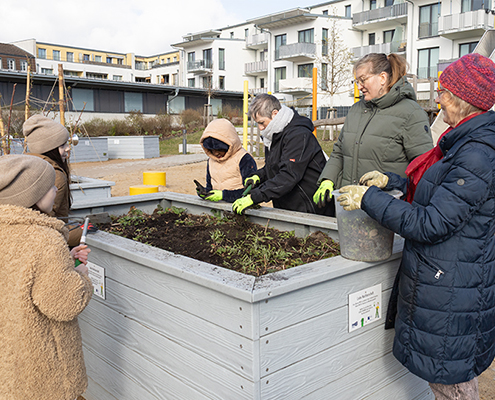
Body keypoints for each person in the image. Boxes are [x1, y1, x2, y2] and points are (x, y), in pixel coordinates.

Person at [337, 53, 495, 399]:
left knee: (452, 383)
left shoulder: (476, 155)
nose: (438, 99)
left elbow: (431, 223)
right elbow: (441, 193)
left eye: (444, 92)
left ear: (462, 99)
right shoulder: (465, 142)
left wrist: (369, 200)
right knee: (447, 378)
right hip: (450, 280)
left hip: (453, 290)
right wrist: (393, 181)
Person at [0, 154, 93, 399]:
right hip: (43, 370)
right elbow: (64, 303)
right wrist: (81, 277)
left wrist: (65, 259)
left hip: (9, 362)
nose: (55, 189)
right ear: (32, 194)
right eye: (50, 186)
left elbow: (20, 276)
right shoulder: (44, 240)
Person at [313, 53, 433, 210]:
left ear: (382, 78)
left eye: (363, 80)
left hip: (387, 210)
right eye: (357, 81)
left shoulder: (411, 113)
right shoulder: (356, 110)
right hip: (349, 206)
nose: (359, 86)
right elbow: (339, 152)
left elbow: (423, 168)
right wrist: (328, 179)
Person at [232, 93, 333, 216]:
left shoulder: (298, 135)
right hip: (290, 206)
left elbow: (288, 175)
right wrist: (258, 176)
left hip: (310, 208)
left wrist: (255, 197)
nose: (260, 128)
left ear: (275, 114)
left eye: (262, 122)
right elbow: (274, 166)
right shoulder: (274, 135)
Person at [23, 114, 83, 247]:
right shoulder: (55, 175)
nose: (68, 148)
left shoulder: (27, 166)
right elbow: (46, 222)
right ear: (49, 149)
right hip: (48, 243)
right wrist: (79, 233)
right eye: (62, 145)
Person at [196, 118, 257, 203]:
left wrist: (224, 195)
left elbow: (251, 191)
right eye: (212, 150)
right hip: (217, 207)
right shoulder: (211, 161)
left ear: (230, 144)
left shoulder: (244, 158)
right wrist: (205, 192)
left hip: (239, 207)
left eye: (220, 149)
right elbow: (210, 187)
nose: (216, 153)